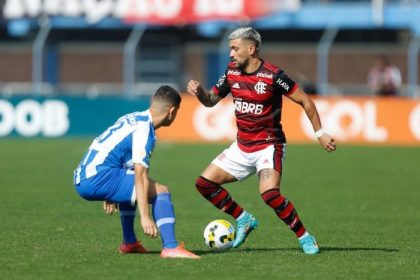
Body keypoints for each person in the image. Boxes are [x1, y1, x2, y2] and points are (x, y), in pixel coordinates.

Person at [187, 27, 336, 255]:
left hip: (269, 145)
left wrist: (320, 133)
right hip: (242, 146)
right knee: (203, 184)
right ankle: (243, 219)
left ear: (251, 48)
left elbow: (306, 101)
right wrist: (199, 93)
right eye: (230, 49)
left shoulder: (274, 76)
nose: (231, 54)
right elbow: (210, 101)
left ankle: (305, 237)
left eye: (235, 49)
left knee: (269, 194)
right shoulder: (230, 72)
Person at [73, 85, 200, 259]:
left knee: (133, 187)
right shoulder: (144, 130)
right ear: (171, 111)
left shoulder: (133, 118)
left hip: (86, 176)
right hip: (98, 176)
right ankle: (171, 247)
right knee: (161, 191)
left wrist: (110, 193)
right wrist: (145, 217)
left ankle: (129, 243)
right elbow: (140, 176)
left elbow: (117, 157)